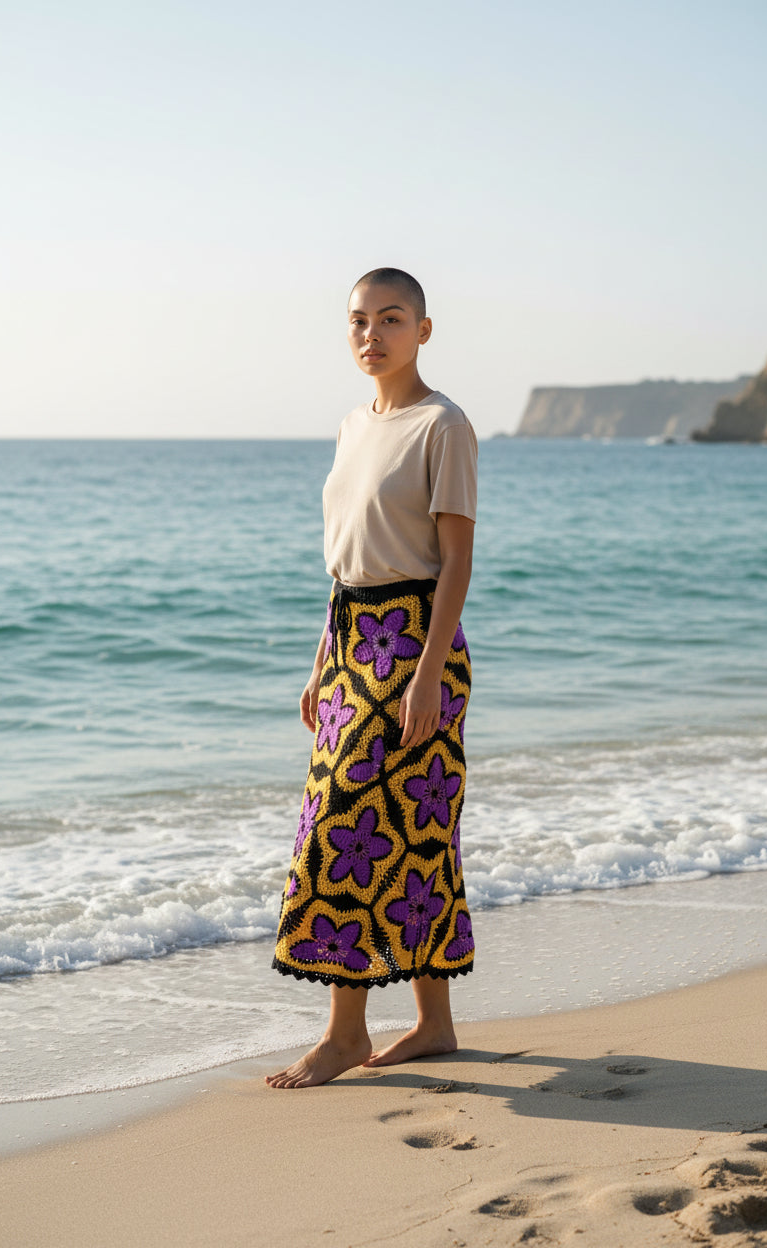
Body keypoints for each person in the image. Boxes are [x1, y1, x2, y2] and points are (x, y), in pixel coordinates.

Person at [266, 267, 477, 1089]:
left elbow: (455, 562)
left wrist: (427, 673)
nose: (371, 335)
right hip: (351, 642)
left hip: (416, 647)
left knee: (346, 828)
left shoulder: (442, 424)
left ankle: (346, 1034)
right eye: (358, 321)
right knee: (407, 833)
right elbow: (346, 560)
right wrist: (322, 660)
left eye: (390, 319)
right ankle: (435, 1025)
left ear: (423, 330)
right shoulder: (355, 424)